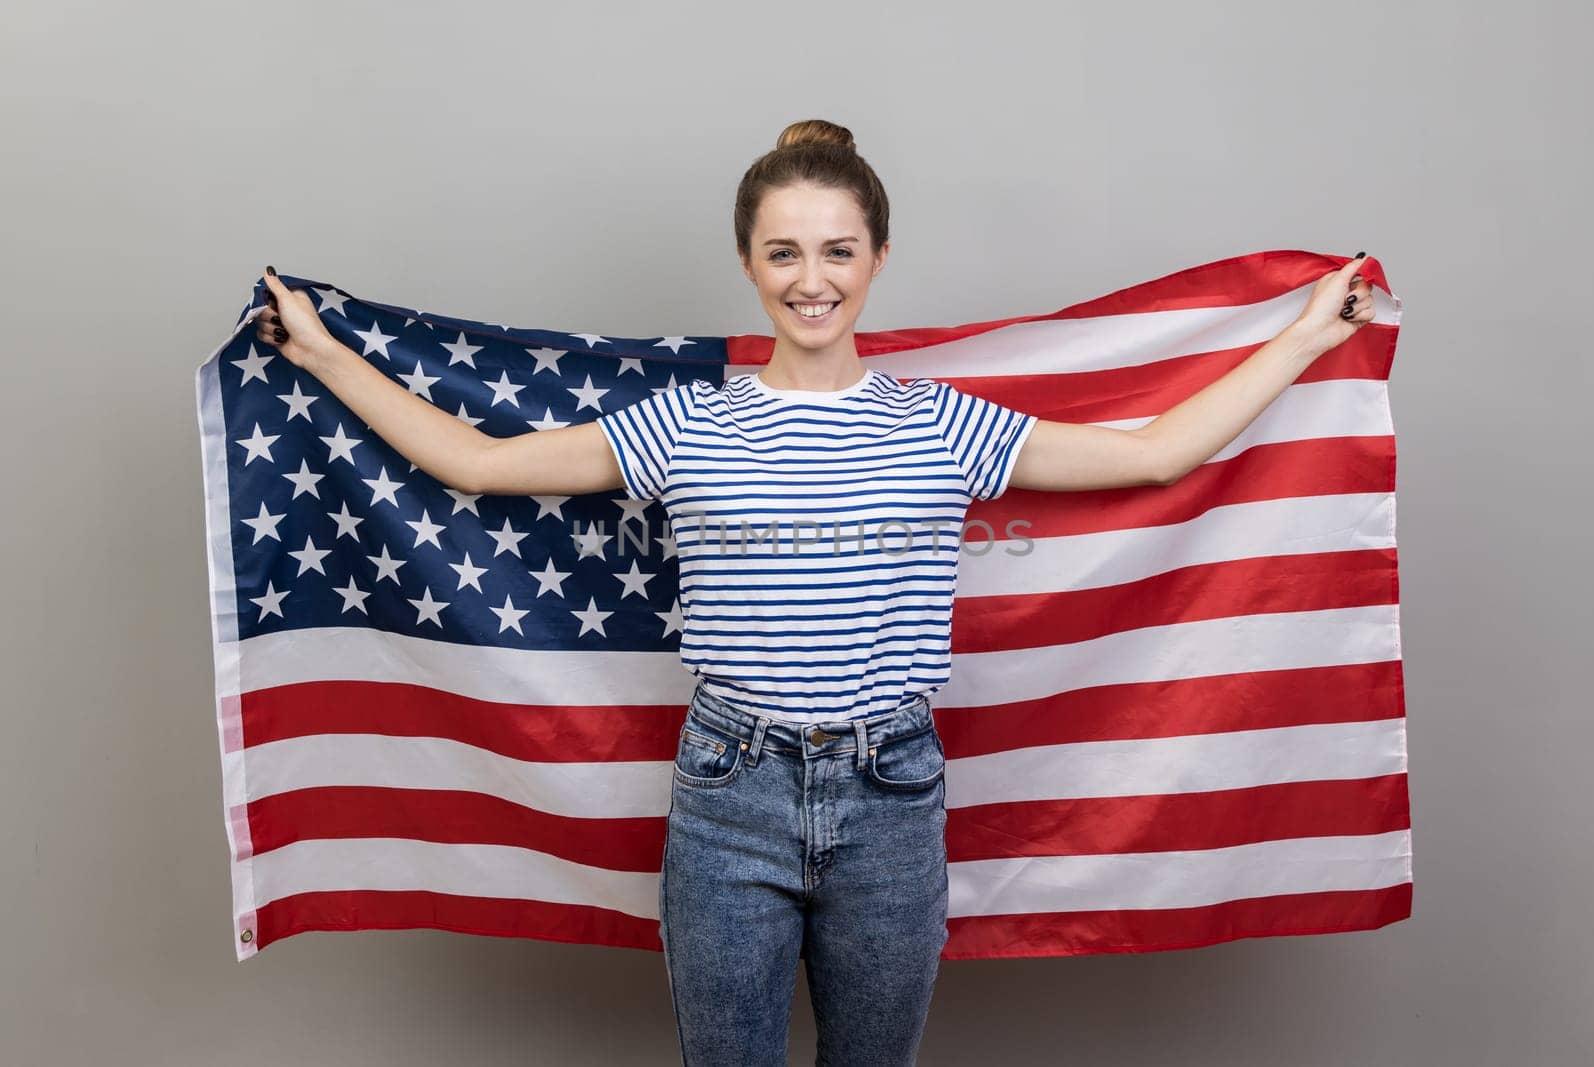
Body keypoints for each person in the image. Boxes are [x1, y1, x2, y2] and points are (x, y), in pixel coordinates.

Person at [256, 117, 1375, 1067]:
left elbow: (1152, 453)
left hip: (891, 794)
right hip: (727, 791)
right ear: (748, 261)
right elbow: (481, 463)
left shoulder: (941, 423)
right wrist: (321, 357)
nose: (811, 279)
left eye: (837, 250)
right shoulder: (686, 423)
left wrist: (1300, 339)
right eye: (783, 252)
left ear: (878, 256)